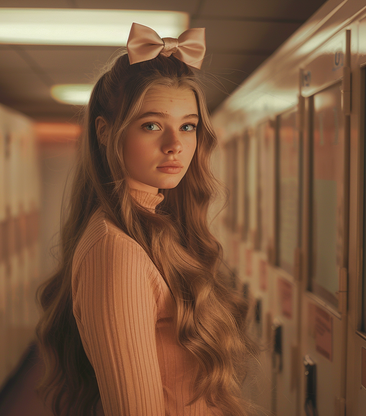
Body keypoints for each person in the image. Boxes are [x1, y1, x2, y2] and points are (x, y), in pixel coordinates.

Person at [35, 23, 258, 416]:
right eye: (152, 125)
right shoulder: (115, 251)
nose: (175, 145)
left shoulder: (156, 227)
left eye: (187, 126)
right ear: (106, 133)